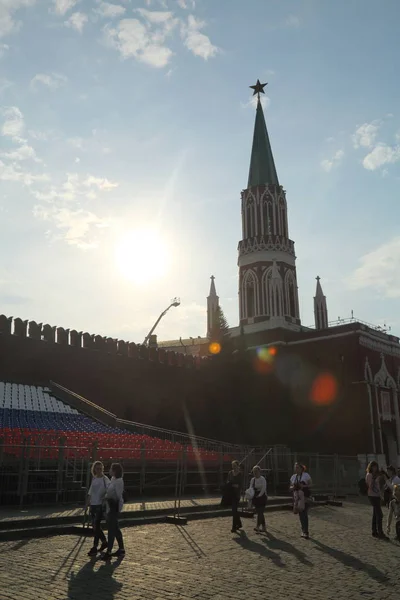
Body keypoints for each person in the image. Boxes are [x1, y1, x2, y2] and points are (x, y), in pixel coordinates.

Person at [101, 463, 125, 560]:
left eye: (111, 469)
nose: (109, 470)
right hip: (109, 506)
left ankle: (109, 551)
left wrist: (118, 509)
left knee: (111, 530)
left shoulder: (119, 481)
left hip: (113, 507)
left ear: (115, 471)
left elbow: (119, 497)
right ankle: (121, 549)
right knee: (115, 528)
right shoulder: (113, 480)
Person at [86, 461, 110, 556]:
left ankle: (95, 546)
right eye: (97, 468)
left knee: (96, 524)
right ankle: (104, 541)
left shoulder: (105, 479)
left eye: (100, 468)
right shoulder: (94, 478)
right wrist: (87, 503)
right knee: (95, 525)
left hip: (100, 505)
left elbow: (110, 490)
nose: (99, 470)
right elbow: (90, 492)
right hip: (93, 504)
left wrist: (105, 497)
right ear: (94, 469)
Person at [366, 460, 388, 539]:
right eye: (373, 467)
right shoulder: (369, 475)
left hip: (377, 495)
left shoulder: (376, 474)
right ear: (370, 467)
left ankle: (374, 531)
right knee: (379, 514)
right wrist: (374, 478)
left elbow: (379, 485)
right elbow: (370, 486)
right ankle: (380, 532)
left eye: (376, 467)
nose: (375, 468)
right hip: (372, 496)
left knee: (375, 514)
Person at [290, 463, 312, 539]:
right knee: (300, 514)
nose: (296, 469)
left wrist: (303, 486)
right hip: (297, 497)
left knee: (304, 513)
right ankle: (303, 530)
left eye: (297, 467)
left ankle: (306, 532)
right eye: (295, 468)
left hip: (305, 497)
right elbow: (291, 486)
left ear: (301, 468)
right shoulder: (293, 477)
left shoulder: (306, 475)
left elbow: (310, 485)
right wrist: (292, 487)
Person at [250, 465, 267, 533]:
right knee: (260, 512)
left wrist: (259, 495)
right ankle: (264, 526)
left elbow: (263, 488)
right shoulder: (252, 480)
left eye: (256, 471)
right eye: (254, 472)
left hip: (262, 497)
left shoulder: (262, 479)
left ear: (259, 471)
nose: (255, 473)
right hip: (255, 496)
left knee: (260, 512)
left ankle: (257, 526)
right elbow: (251, 488)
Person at [227, 460, 243, 533]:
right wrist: (230, 484)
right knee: (234, 510)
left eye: (235, 466)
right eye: (232, 466)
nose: (233, 467)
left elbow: (240, 485)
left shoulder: (240, 474)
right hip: (231, 493)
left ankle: (234, 527)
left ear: (238, 466)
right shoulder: (230, 473)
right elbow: (228, 481)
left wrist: (233, 484)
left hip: (237, 494)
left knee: (234, 510)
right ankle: (239, 524)